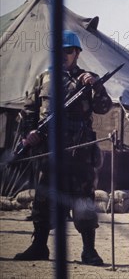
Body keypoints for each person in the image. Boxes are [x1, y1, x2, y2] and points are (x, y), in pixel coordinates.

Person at [14, 30, 112, 265]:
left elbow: (104, 107)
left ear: (77, 53)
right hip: (49, 153)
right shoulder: (44, 79)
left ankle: (89, 250)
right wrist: (30, 133)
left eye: (68, 50)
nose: (63, 55)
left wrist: (97, 87)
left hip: (79, 154)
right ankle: (39, 246)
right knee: (43, 201)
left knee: (83, 202)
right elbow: (28, 110)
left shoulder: (89, 79)